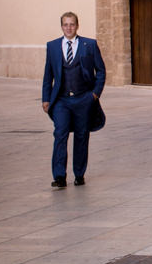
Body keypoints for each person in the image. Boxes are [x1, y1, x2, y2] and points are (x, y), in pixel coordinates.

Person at [41, 11, 106, 189]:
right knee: (60, 134)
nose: (68, 28)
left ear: (77, 26)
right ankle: (60, 176)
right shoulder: (53, 46)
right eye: (65, 25)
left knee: (81, 136)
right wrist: (46, 98)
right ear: (61, 26)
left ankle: (79, 174)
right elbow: (48, 75)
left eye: (72, 24)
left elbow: (100, 71)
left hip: (83, 99)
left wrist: (94, 94)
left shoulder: (89, 45)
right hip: (61, 100)